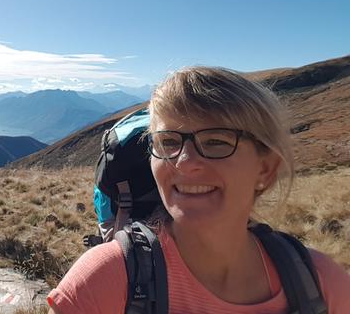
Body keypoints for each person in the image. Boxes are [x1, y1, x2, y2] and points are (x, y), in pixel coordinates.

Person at [47, 66, 350, 314]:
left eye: (216, 141)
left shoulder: (324, 284)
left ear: (265, 168)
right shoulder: (105, 280)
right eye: (168, 142)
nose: (185, 162)